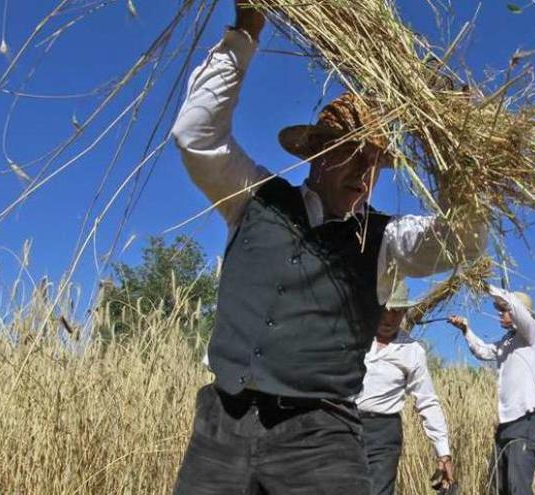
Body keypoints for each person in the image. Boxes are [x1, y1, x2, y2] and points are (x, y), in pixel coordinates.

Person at [170, 3, 486, 494]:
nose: (363, 172)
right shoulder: (254, 198)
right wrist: (247, 31)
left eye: (374, 161)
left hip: (320, 438)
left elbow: (460, 239)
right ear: (317, 153)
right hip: (222, 425)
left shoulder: (387, 239)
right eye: (349, 152)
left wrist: (459, 152)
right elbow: (196, 135)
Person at [356, 281, 455, 495]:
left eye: (398, 312)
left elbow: (427, 401)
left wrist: (443, 451)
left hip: (383, 433)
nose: (390, 318)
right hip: (344, 423)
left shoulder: (412, 351)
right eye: (386, 310)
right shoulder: (354, 336)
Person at [447, 286, 535, 495]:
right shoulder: (507, 341)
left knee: (518, 487)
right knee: (499, 486)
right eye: (499, 310)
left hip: (526, 420)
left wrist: (489, 288)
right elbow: (483, 351)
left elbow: (518, 311)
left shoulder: (534, 333)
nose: (500, 314)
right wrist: (466, 329)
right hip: (506, 423)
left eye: (504, 310)